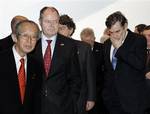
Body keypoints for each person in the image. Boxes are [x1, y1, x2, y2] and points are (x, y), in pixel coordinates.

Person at [31, 6, 81, 114]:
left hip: (62, 106)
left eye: (55, 21)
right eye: (47, 21)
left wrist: (71, 102)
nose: (51, 25)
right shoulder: (32, 43)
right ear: (40, 21)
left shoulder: (69, 45)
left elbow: (75, 78)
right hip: (35, 105)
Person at [102, 11, 148, 114]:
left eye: (117, 31)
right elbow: (108, 71)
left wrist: (119, 48)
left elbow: (139, 65)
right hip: (113, 103)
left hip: (134, 102)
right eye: (111, 32)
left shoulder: (138, 40)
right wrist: (107, 95)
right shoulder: (107, 44)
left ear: (125, 26)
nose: (114, 36)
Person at [0, 20, 41, 114]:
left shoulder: (36, 65)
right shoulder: (2, 60)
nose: (29, 41)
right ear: (15, 37)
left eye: (34, 37)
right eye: (25, 35)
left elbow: (36, 99)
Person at [58, 14, 96, 114]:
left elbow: (90, 74)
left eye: (62, 28)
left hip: (80, 97)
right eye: (57, 29)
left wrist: (91, 98)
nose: (58, 31)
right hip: (59, 98)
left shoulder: (84, 48)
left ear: (70, 30)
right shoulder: (52, 49)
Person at [80, 27, 107, 114]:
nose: (87, 45)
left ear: (94, 38)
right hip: (85, 91)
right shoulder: (77, 49)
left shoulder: (102, 49)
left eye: (90, 42)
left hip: (101, 90)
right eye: (85, 42)